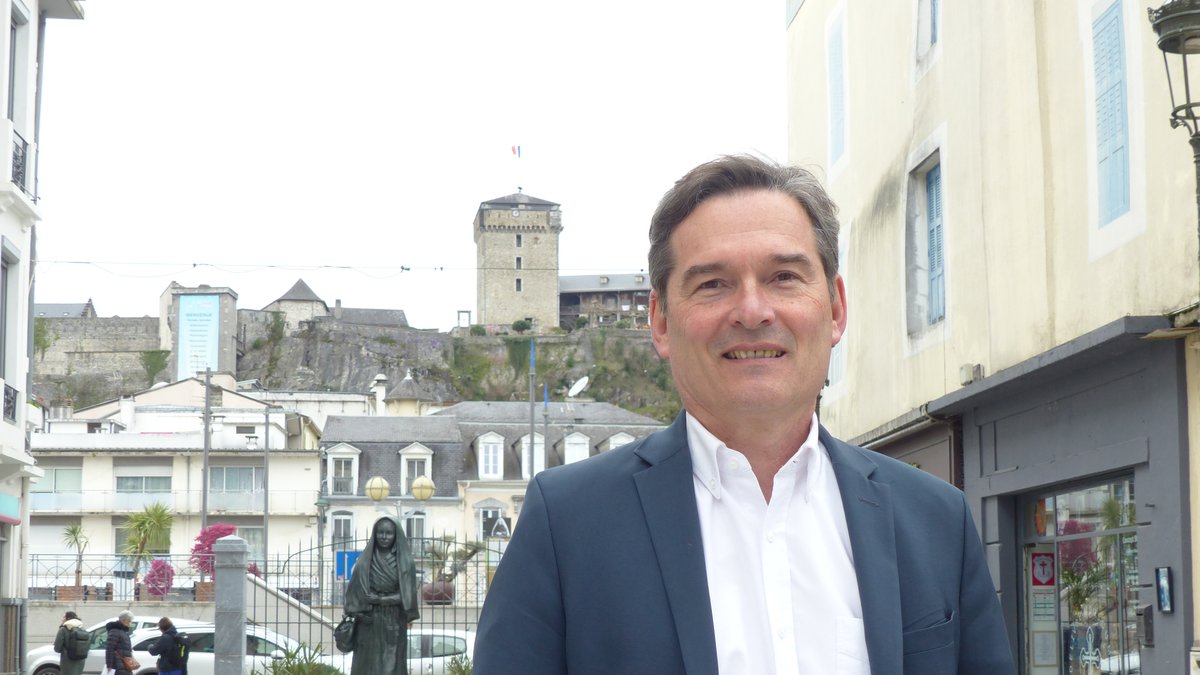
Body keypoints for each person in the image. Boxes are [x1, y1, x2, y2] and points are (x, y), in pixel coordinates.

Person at [473, 155, 1015, 674]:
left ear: (835, 309)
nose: (753, 311)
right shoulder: (566, 526)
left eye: (784, 277)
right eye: (713, 284)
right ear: (660, 322)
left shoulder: (936, 521)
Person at [343, 516, 420, 675]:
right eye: (380, 532)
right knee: (365, 665)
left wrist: (381, 600)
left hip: (393, 620)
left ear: (396, 535)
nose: (384, 537)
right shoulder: (364, 561)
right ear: (375, 534)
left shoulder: (405, 562)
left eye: (389, 533)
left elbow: (408, 597)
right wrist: (357, 610)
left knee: (391, 666)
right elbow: (354, 592)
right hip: (368, 621)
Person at [52, 611, 86, 675]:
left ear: (68, 618)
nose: (62, 619)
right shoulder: (82, 628)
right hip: (80, 661)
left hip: (67, 661)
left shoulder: (63, 629)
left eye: (63, 617)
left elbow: (57, 649)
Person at [104, 610, 135, 675]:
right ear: (124, 620)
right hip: (117, 665)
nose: (130, 623)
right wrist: (109, 666)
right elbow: (109, 649)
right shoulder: (115, 631)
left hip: (125, 664)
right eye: (129, 620)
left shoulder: (123, 631)